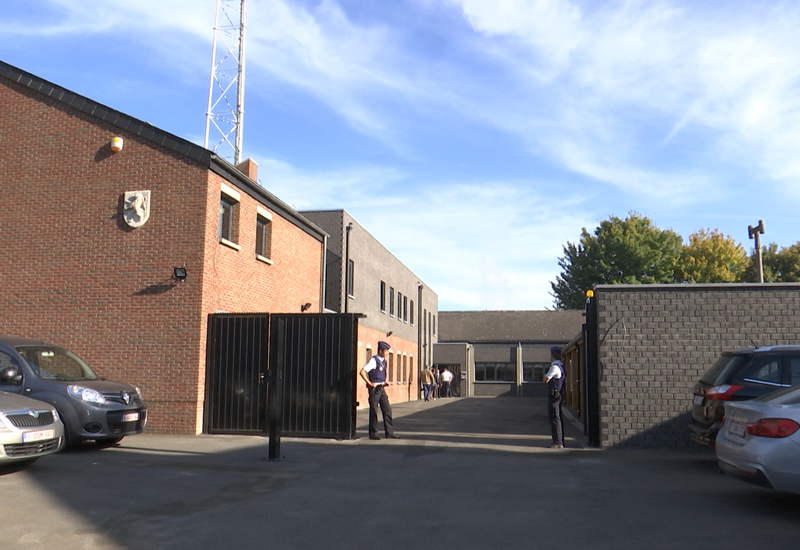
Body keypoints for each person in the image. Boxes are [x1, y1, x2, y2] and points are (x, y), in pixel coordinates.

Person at [359, 341, 398, 440]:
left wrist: (385, 381)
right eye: (386, 352)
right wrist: (369, 382)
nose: (387, 354)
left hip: (381, 388)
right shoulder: (373, 360)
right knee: (374, 410)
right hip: (375, 389)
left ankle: (389, 432)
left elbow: (381, 373)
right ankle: (373, 433)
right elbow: (362, 371)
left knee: (387, 409)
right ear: (381, 351)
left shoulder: (383, 361)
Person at [544, 346, 566, 449]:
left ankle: (557, 442)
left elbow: (546, 379)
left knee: (554, 418)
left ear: (553, 355)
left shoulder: (554, 367)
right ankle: (559, 440)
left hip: (554, 396)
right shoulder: (561, 366)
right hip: (558, 395)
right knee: (557, 418)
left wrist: (545, 375)